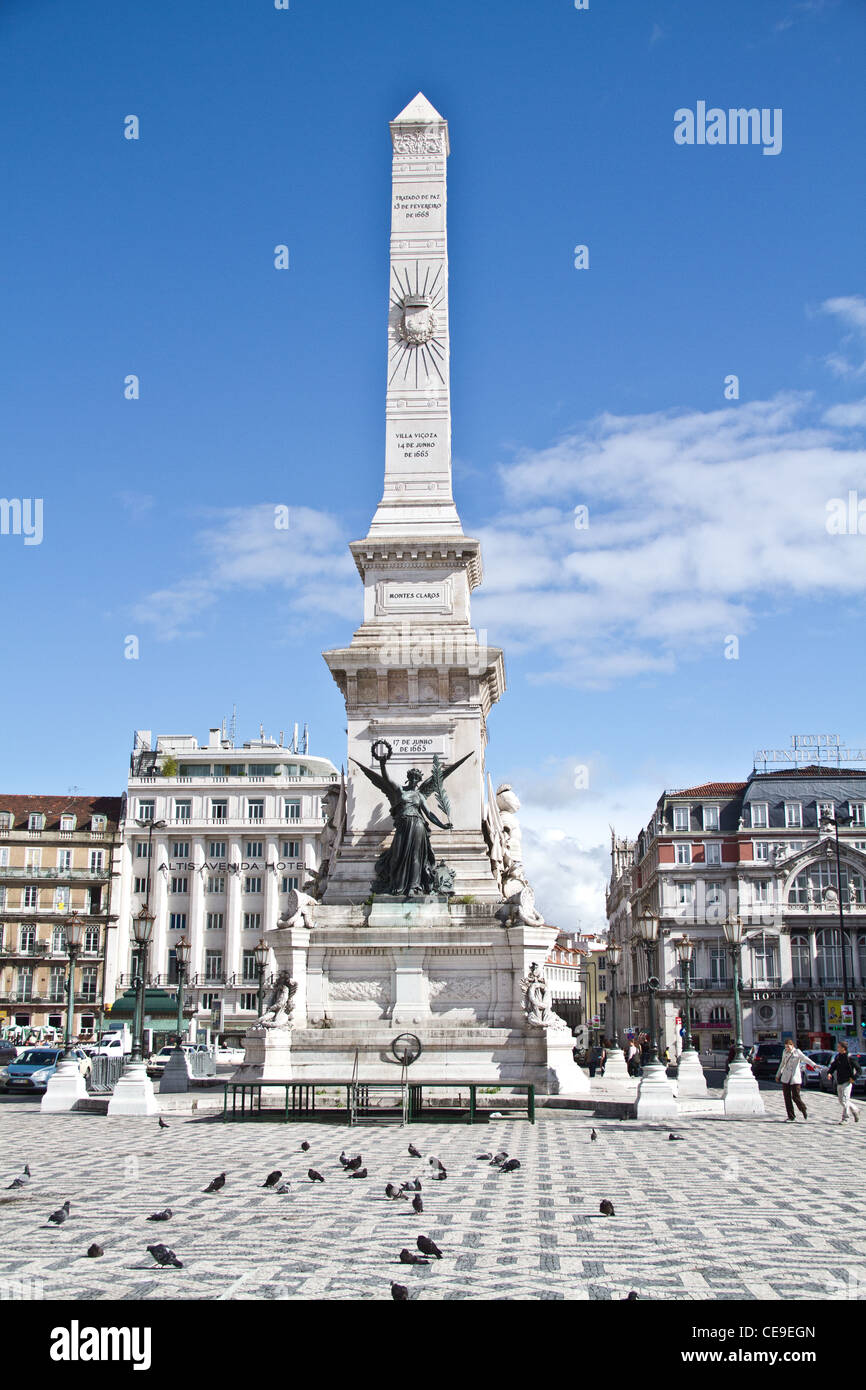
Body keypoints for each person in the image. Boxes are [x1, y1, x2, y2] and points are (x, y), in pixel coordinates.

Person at [775, 1038, 809, 1122]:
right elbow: (782, 1064)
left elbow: (806, 1059)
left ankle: (803, 1108)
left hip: (794, 1078)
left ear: (792, 1045)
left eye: (788, 1047)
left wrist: (814, 1065)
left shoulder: (797, 1052)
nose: (787, 1048)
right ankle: (791, 1116)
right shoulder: (784, 1052)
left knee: (795, 1097)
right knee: (787, 1097)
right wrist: (778, 1075)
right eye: (786, 1047)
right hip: (786, 1078)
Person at [827, 1041, 861, 1124]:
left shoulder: (850, 1058)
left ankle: (845, 1119)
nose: (837, 1048)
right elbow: (833, 1066)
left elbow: (859, 1070)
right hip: (839, 1081)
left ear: (843, 1048)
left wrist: (853, 1078)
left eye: (839, 1047)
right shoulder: (838, 1057)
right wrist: (829, 1073)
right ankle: (855, 1109)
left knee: (845, 1100)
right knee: (841, 1101)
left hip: (847, 1082)